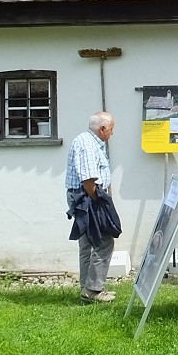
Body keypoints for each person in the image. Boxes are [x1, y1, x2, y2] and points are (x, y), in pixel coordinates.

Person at [65, 111, 117, 303]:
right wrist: (99, 201)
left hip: (84, 195)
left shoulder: (90, 141)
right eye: (111, 129)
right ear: (102, 129)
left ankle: (88, 289)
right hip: (88, 196)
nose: (112, 133)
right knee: (104, 241)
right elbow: (88, 180)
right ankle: (93, 289)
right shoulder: (87, 144)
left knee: (88, 244)